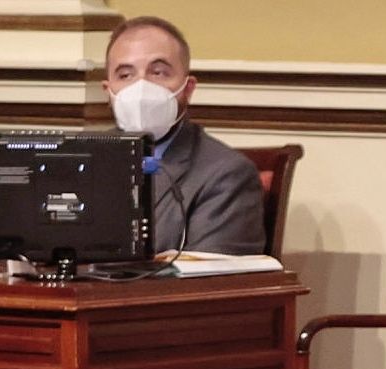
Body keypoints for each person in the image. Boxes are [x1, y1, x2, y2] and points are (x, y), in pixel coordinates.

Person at [103, 16, 266, 256]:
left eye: (158, 72)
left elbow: (212, 281)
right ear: (109, 92)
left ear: (187, 89)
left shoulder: (227, 175)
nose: (141, 87)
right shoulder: (81, 160)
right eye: (126, 75)